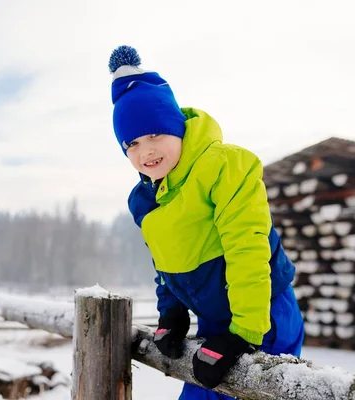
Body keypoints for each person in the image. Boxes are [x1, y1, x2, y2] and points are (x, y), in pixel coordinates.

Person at [108, 45, 304, 399]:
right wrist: (171, 316)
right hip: (214, 324)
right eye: (132, 143)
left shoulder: (223, 167)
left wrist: (243, 333)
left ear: (177, 127)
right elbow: (164, 263)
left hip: (264, 316)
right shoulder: (144, 200)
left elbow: (247, 247)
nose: (146, 151)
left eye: (155, 134)